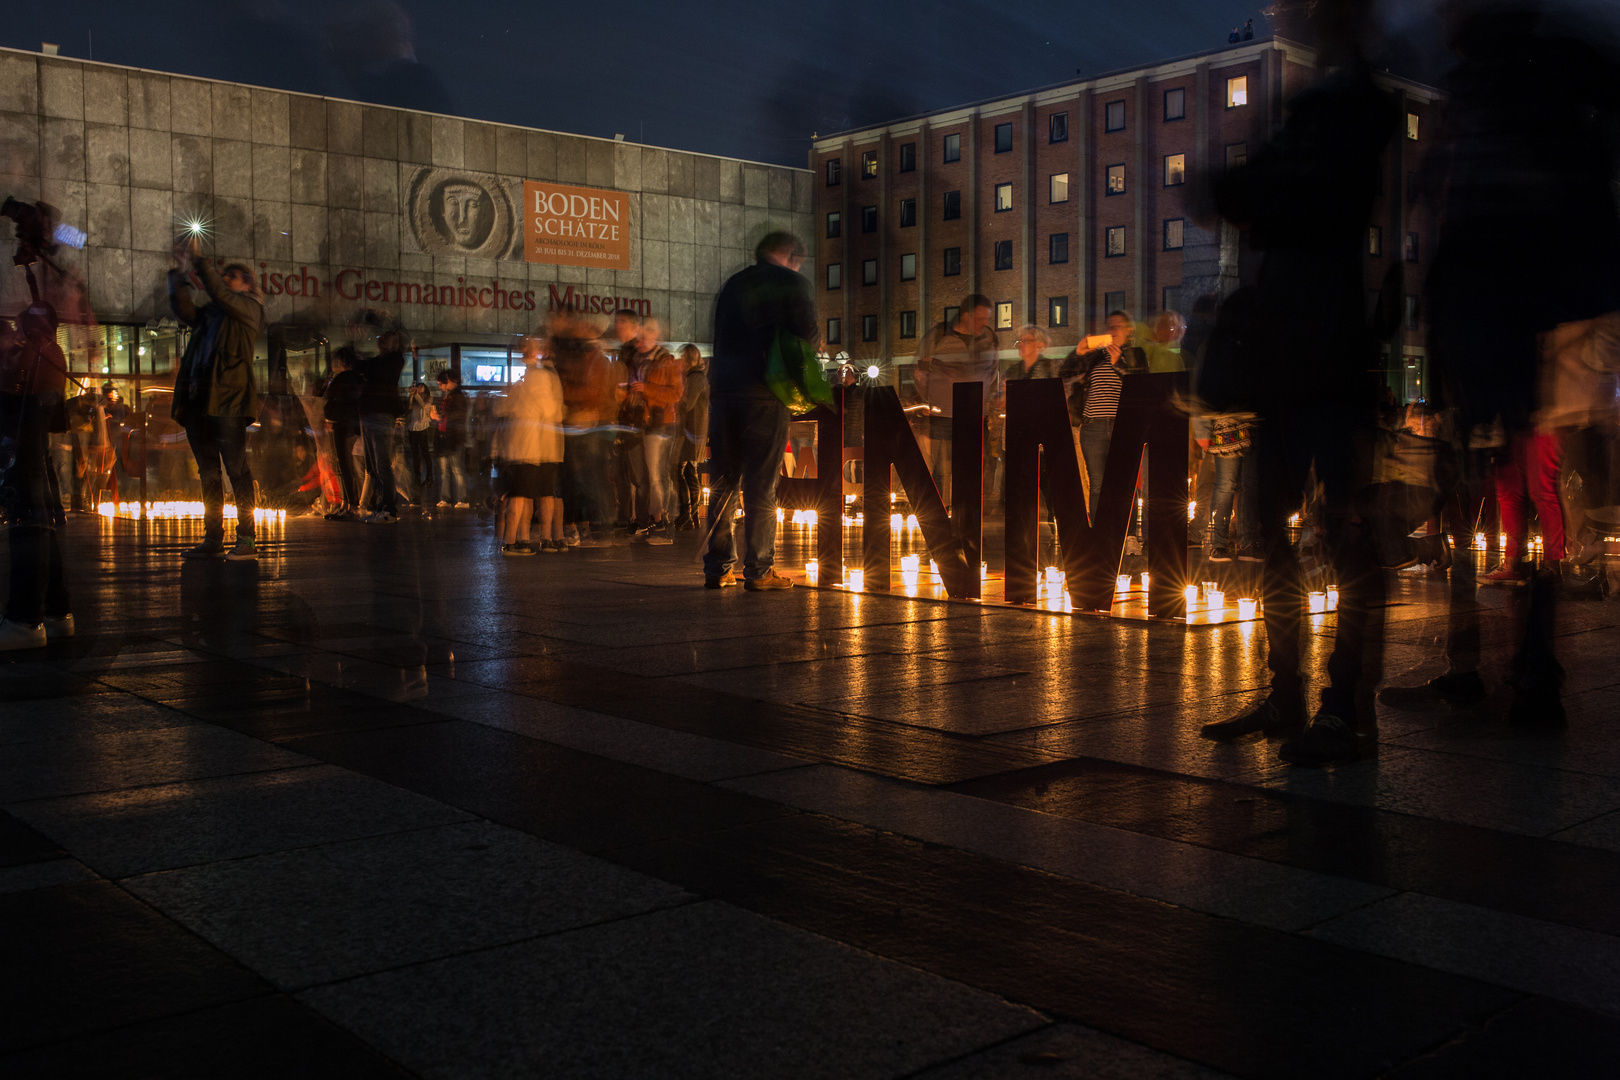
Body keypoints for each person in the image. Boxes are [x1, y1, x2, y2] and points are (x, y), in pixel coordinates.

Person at [1198, 2, 1399, 764]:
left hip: (1331, 355)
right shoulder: (1314, 110)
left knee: (1342, 533)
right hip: (1285, 354)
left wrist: (1258, 189)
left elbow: (1266, 196)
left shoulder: (1350, 108)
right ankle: (1287, 693)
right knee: (1270, 533)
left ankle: (1343, 706)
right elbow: (1244, 198)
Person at [703, 231, 817, 590]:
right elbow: (808, 335)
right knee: (761, 482)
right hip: (765, 390)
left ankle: (718, 568)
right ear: (792, 256)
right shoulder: (792, 282)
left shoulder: (734, 284)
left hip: (724, 390)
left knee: (723, 481)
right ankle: (759, 569)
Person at [168, 234, 266, 560]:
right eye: (223, 275)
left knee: (237, 471)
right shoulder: (212, 314)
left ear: (248, 285)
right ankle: (213, 539)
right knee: (208, 472)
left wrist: (199, 261)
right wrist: (177, 274)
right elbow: (184, 309)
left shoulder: (249, 308)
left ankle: (247, 539)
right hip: (199, 401)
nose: (225, 279)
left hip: (229, 401)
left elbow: (221, 294)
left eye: (232, 276)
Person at [0, 304, 75, 649]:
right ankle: (55, 612)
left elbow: (17, 395)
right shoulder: (49, 351)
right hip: (34, 450)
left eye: (21, 330)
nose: (16, 337)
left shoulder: (34, 354)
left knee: (29, 523)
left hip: (25, 450)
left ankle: (25, 620)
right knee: (41, 524)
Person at [913, 294, 1002, 504]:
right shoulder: (938, 336)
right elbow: (919, 370)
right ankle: (940, 511)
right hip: (942, 414)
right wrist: (929, 400)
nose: (984, 324)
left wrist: (982, 401)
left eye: (987, 319)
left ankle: (967, 513)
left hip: (973, 415)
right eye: (980, 319)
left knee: (971, 468)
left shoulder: (989, 339)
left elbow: (993, 374)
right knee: (941, 469)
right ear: (966, 316)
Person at [1064, 309, 1147, 520]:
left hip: (1123, 426)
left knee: (1124, 482)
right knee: (1097, 483)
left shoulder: (1136, 354)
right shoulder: (1095, 356)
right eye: (1110, 326)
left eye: (1118, 326)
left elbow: (1141, 386)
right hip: (1093, 426)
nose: (1113, 330)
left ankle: (1124, 535)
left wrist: (1118, 362)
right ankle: (1099, 534)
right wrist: (1079, 352)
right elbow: (1065, 374)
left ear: (1129, 331)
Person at [494, 337, 566, 555]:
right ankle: (516, 541)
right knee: (528, 493)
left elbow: (502, 408)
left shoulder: (528, 376)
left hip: (530, 445)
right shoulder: (539, 375)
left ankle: (523, 539)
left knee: (527, 493)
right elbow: (551, 410)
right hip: (534, 445)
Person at [554, 316, 619, 544]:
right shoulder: (581, 359)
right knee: (577, 476)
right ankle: (580, 524)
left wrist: (579, 401)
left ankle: (586, 524)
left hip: (588, 425)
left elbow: (599, 393)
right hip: (578, 424)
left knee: (585, 476)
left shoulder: (599, 362)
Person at [619, 316, 681, 542]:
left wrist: (647, 388)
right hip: (638, 422)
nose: (639, 342)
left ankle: (660, 521)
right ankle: (645, 520)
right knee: (640, 475)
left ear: (655, 336)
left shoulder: (667, 362)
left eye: (644, 337)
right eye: (638, 338)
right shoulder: (635, 361)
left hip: (660, 422)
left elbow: (675, 394)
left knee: (656, 474)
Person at [355, 327, 406, 522]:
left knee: (382, 463)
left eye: (385, 337)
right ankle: (380, 506)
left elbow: (370, 369)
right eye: (380, 337)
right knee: (373, 466)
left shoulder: (393, 360)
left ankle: (389, 508)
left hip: (381, 415)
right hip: (369, 414)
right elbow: (360, 366)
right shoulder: (378, 361)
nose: (380, 340)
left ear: (394, 343)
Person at [322, 347, 365, 519]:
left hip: (341, 424)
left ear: (342, 362)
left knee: (344, 465)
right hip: (351, 425)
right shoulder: (358, 379)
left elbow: (329, 397)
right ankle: (347, 503)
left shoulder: (344, 378)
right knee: (345, 465)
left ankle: (350, 505)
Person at [675, 343, 709, 530]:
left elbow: (687, 404)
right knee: (689, 471)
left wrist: (675, 398)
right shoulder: (697, 377)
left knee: (679, 470)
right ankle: (692, 515)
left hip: (691, 431)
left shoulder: (695, 378)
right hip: (694, 431)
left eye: (682, 357)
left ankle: (686, 513)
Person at [434, 369, 470, 507]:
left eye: (442, 383)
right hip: (445, 437)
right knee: (445, 471)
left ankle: (463, 498)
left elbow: (459, 414)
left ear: (449, 381)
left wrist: (442, 416)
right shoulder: (446, 397)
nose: (441, 387)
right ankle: (446, 498)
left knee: (456, 469)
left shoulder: (458, 396)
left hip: (454, 437)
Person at [405, 381, 434, 502]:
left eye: (421, 387)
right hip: (412, 427)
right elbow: (410, 407)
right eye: (418, 387)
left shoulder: (429, 398)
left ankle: (429, 476)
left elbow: (424, 405)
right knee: (415, 453)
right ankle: (417, 476)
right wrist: (411, 396)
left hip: (422, 427)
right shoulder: (414, 397)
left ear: (426, 389)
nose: (419, 388)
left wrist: (415, 395)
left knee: (425, 452)